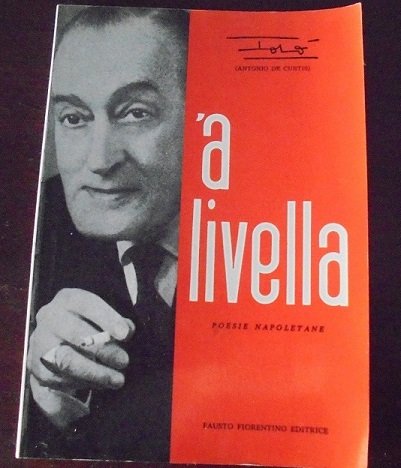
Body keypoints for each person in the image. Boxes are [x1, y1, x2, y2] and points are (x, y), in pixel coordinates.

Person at [22, 6, 189, 461]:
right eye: (74, 118)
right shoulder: (37, 224)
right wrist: (52, 409)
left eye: (135, 113)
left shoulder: (268, 235)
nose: (99, 161)